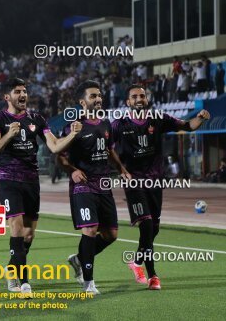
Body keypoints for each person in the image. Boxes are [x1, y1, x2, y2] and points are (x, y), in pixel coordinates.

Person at [0, 77, 82, 295]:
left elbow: (55, 146)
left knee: (28, 236)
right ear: (7, 96)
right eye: (17, 91)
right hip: (8, 180)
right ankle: (24, 283)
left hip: (31, 181)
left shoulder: (37, 118)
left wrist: (73, 134)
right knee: (17, 229)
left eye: (24, 91)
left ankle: (11, 269)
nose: (23, 95)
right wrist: (9, 134)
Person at [112, 84, 210, 290]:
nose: (139, 99)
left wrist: (200, 118)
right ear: (128, 102)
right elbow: (105, 146)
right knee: (147, 225)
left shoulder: (160, 119)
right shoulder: (118, 125)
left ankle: (136, 262)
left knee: (153, 228)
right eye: (134, 97)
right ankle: (153, 276)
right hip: (134, 181)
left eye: (142, 96)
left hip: (155, 181)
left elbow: (187, 126)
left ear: (146, 99)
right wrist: (120, 169)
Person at [57, 80, 130, 295]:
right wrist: (72, 170)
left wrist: (121, 168)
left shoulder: (106, 124)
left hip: (104, 184)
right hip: (83, 185)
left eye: (99, 95)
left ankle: (79, 259)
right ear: (82, 102)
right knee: (89, 230)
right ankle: (88, 283)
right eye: (93, 96)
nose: (98, 99)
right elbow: (59, 157)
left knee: (111, 234)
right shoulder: (73, 126)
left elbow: (109, 151)